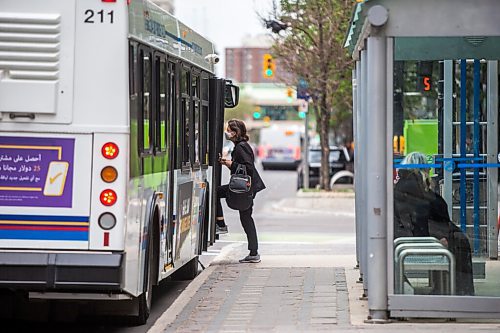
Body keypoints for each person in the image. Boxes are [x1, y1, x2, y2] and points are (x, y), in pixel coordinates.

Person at [394, 152, 474, 295]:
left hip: (416, 236)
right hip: (419, 239)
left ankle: (444, 288)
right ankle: (461, 292)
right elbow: (420, 217)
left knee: (458, 241)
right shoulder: (414, 186)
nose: (430, 171)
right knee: (460, 244)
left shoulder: (408, 184)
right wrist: (436, 238)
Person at [217, 119, 266, 263]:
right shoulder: (239, 146)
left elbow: (248, 167)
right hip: (247, 186)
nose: (227, 132)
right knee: (246, 218)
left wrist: (230, 163)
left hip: (246, 186)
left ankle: (220, 225)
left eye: (229, 129)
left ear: (236, 132)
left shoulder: (241, 147)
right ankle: (254, 252)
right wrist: (227, 163)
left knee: (215, 193)